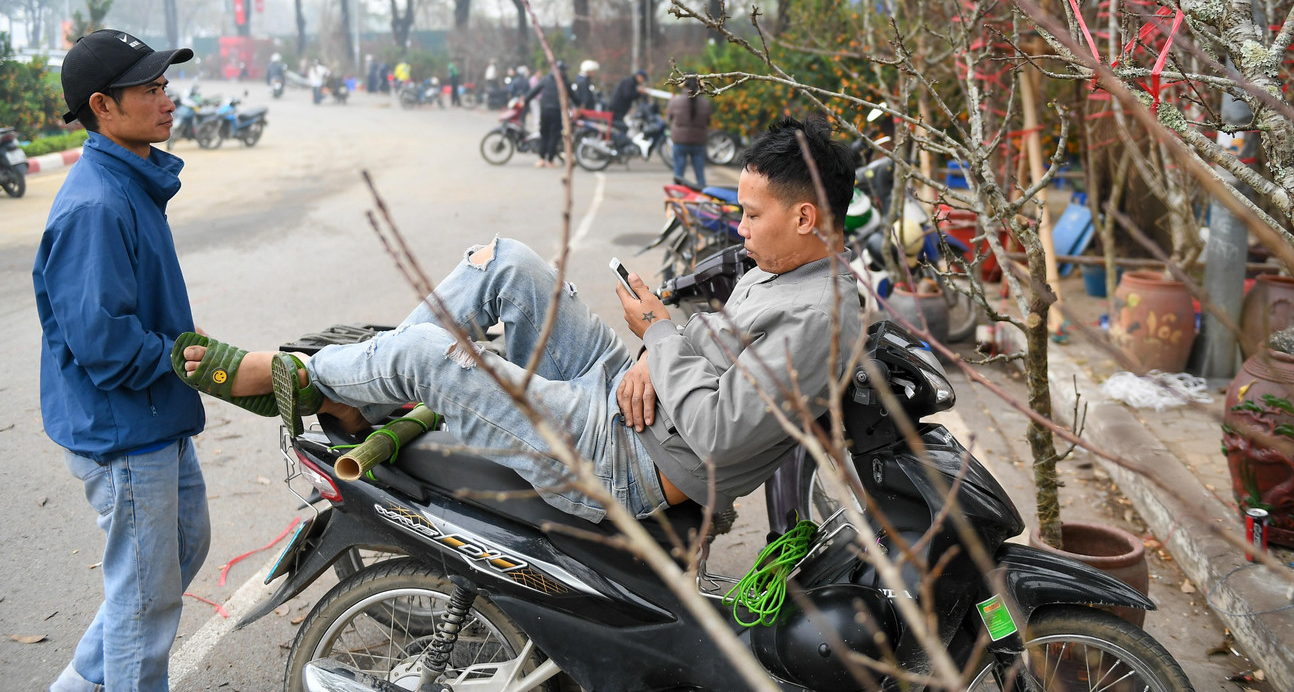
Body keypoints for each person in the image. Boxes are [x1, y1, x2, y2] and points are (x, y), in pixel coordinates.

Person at [175, 117, 859, 524]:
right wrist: (657, 347)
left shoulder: (818, 319)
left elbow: (717, 430)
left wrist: (656, 331)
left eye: (752, 214)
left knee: (429, 355)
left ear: (805, 216)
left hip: (627, 457)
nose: (740, 230)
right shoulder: (787, 270)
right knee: (506, 262)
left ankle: (303, 378)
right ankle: (366, 394)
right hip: (630, 393)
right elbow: (716, 357)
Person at [37, 29, 211, 692]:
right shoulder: (96, 202)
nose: (167, 100)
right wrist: (181, 353)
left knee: (181, 548)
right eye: (150, 89)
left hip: (154, 413)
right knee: (146, 602)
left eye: (165, 86)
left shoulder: (131, 178)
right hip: (124, 430)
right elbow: (102, 343)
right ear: (102, 106)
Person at [525, 61, 576, 167]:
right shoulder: (564, 81)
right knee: (554, 136)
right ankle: (550, 160)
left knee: (544, 135)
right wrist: (581, 104)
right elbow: (572, 95)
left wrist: (524, 101)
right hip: (557, 112)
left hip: (545, 111)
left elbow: (533, 91)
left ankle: (542, 159)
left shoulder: (545, 79)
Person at [667, 74, 712, 188]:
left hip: (680, 141)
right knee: (700, 175)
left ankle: (676, 200)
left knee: (678, 174)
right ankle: (701, 199)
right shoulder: (705, 103)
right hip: (699, 142)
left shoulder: (675, 101)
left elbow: (669, 118)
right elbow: (708, 122)